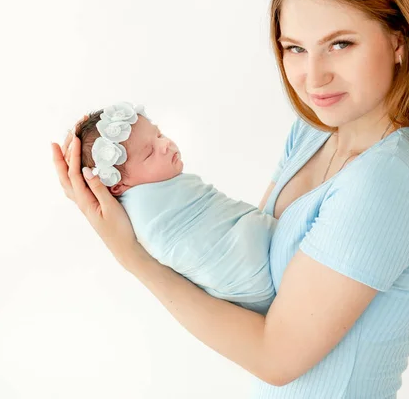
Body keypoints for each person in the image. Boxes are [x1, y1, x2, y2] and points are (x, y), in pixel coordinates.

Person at [52, 0, 409, 398]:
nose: (314, 76)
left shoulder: (388, 182)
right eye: (295, 48)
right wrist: (140, 195)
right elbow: (249, 270)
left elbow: (274, 357)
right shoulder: (314, 132)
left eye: (341, 44)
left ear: (399, 39)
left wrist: (132, 256)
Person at [73, 102, 277, 315]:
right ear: (117, 186)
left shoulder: (169, 190)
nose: (166, 145)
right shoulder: (147, 213)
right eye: (149, 153)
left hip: (260, 278)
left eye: (159, 135)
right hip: (250, 274)